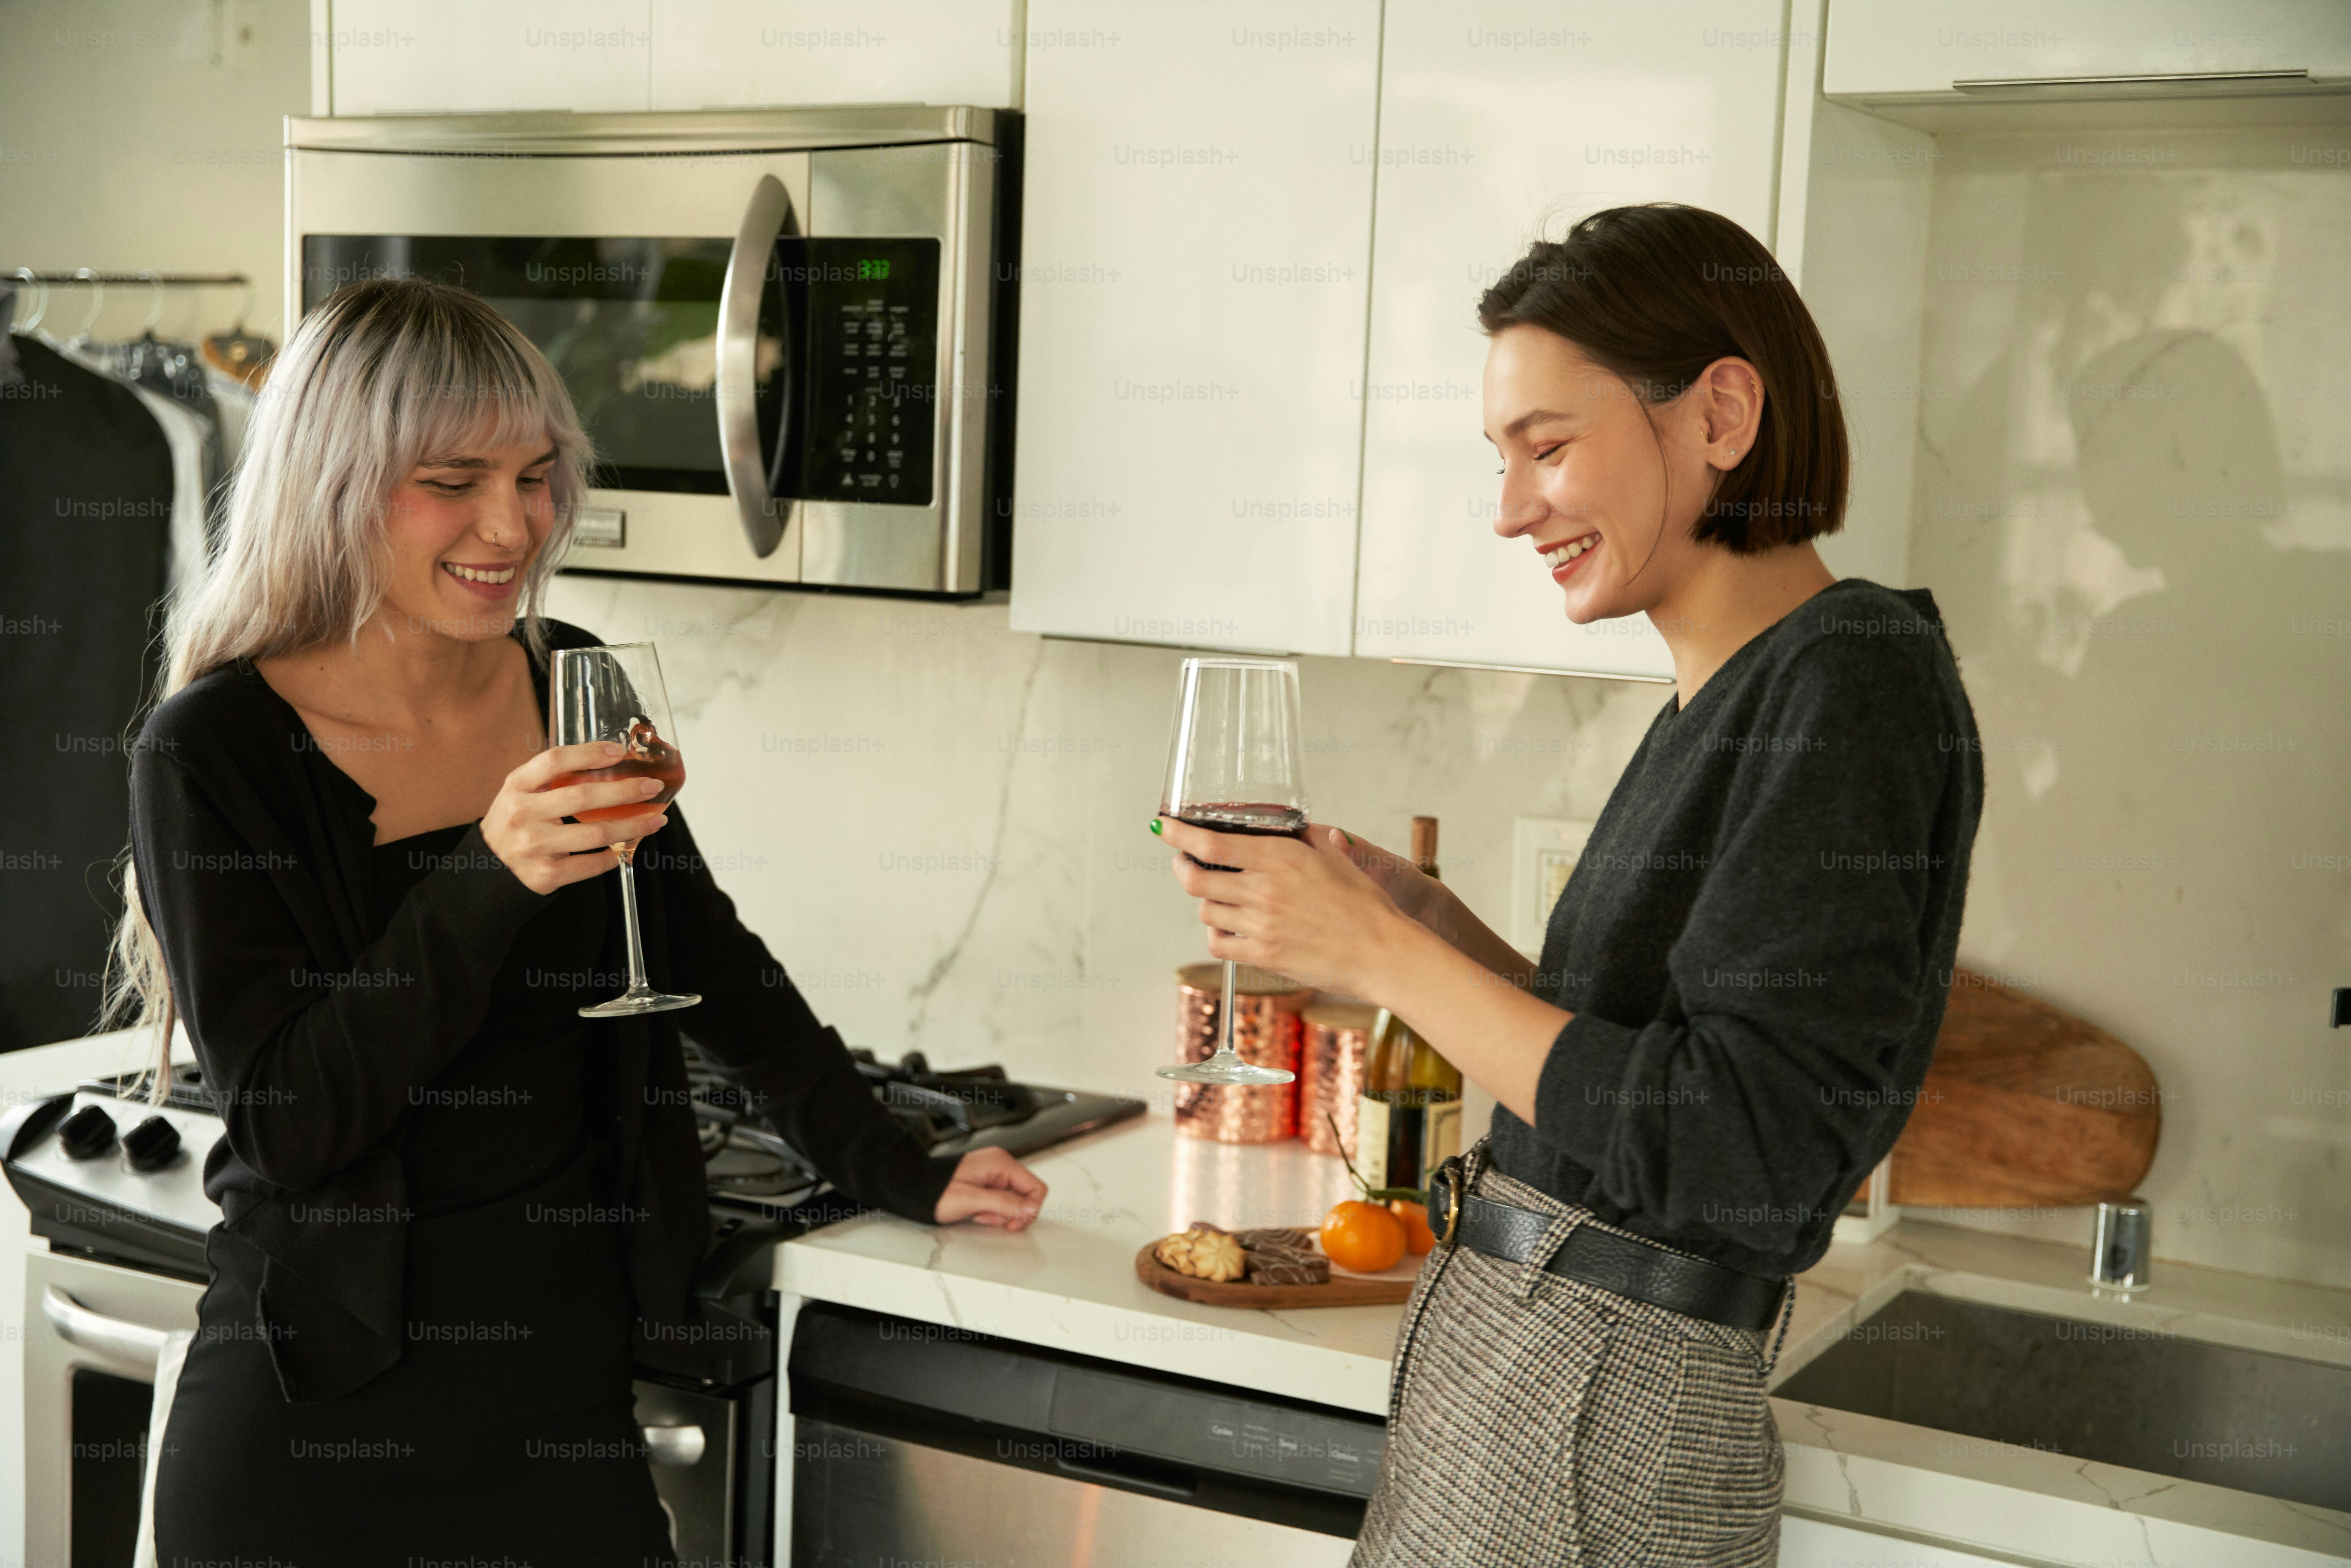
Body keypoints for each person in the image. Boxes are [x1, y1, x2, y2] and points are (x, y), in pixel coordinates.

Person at [109, 277, 1046, 1564]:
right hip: (315, 1425)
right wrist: (492, 874)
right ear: (334, 484)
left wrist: (894, 1163)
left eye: (538, 476)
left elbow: (709, 962)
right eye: (454, 481)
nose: (514, 524)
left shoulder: (570, 676)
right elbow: (292, 1121)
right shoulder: (211, 748)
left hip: (558, 1404)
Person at [1152, 204, 1983, 1566]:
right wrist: (1431, 932)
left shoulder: (1849, 682)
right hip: (1538, 1379)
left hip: (1601, 1406)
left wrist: (1381, 959)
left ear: (1719, 415)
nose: (1507, 510)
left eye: (1546, 448)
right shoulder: (1730, 692)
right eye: (1500, 459)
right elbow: (1641, 1068)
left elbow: (1739, 1149)